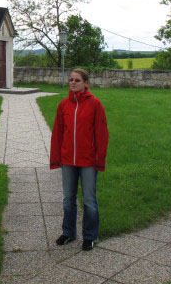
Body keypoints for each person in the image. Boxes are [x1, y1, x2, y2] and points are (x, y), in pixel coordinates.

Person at [50, 68, 109, 251]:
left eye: (77, 80)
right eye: (71, 80)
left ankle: (90, 236)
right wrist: (56, 158)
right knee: (68, 198)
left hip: (88, 161)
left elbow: (101, 134)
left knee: (89, 199)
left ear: (85, 83)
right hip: (68, 159)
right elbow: (58, 133)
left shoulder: (95, 104)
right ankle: (68, 233)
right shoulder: (63, 105)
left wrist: (99, 159)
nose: (73, 83)